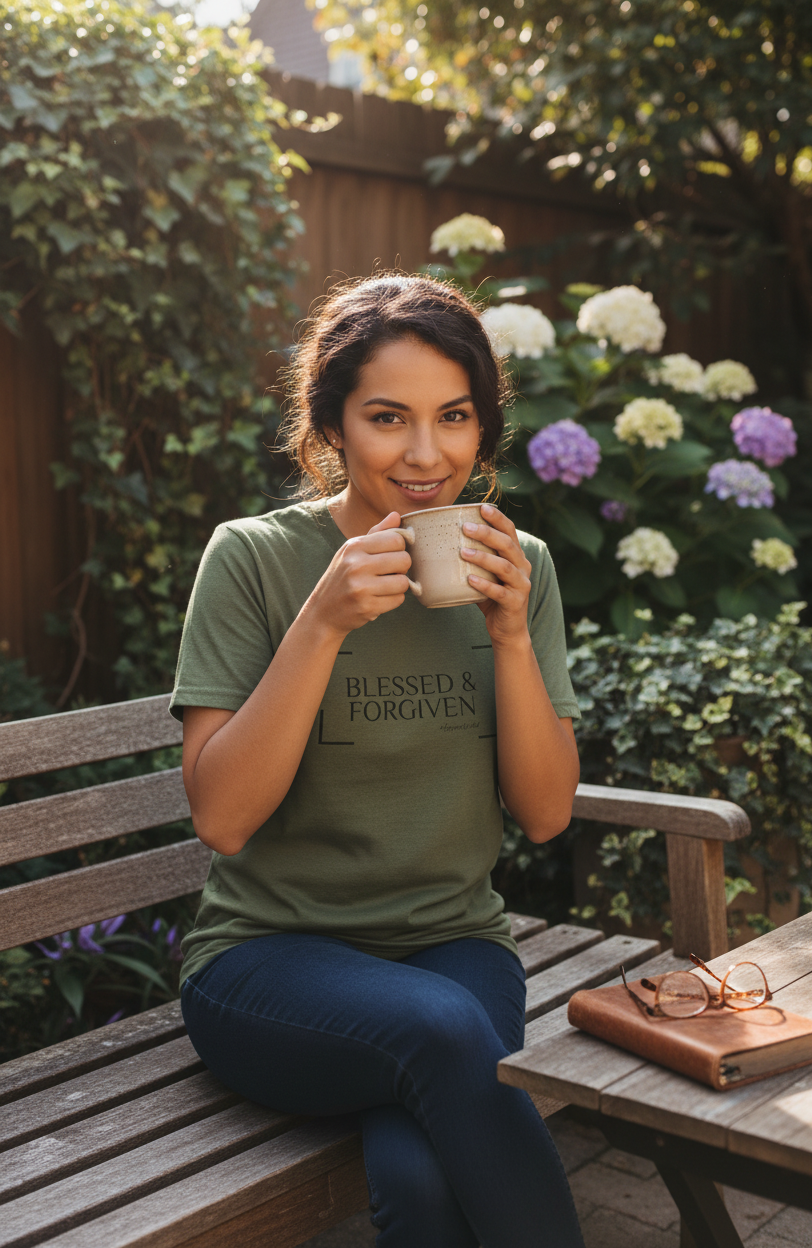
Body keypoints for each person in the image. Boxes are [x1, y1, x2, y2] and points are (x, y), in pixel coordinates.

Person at [172, 275, 585, 1248]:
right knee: (438, 1037)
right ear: (333, 424)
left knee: (423, 1180)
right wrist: (322, 622)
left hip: (456, 949)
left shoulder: (517, 565)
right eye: (388, 417)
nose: (426, 453)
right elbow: (222, 819)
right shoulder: (253, 561)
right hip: (269, 961)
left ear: (485, 425)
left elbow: (546, 814)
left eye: (454, 416)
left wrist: (511, 637)